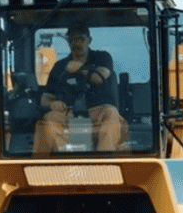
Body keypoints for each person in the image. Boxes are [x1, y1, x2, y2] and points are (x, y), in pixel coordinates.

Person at [33, 22, 124, 155]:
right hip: (68, 113)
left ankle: (104, 159)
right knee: (49, 119)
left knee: (112, 114)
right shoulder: (59, 67)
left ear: (89, 40)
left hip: (98, 111)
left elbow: (100, 77)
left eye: (81, 39)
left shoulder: (102, 57)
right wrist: (53, 104)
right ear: (68, 43)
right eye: (72, 40)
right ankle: (66, 159)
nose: (77, 44)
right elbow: (45, 98)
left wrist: (80, 69)